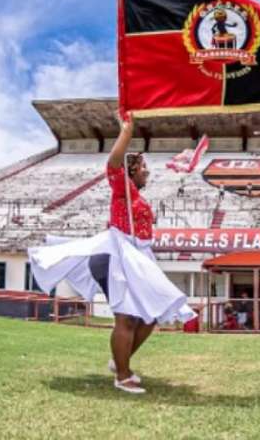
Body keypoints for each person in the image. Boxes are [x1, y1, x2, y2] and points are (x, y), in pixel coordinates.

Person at [28, 115, 194, 395]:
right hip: (114, 256)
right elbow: (113, 165)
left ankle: (120, 362)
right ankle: (122, 375)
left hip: (136, 257)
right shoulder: (124, 189)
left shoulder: (137, 198)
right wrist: (127, 132)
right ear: (131, 172)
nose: (147, 172)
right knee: (127, 317)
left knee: (149, 317)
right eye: (143, 167)